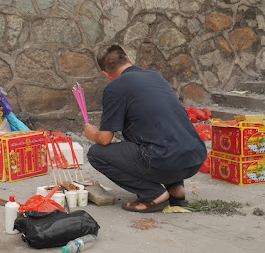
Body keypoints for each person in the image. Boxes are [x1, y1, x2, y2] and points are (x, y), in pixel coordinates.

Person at [84, 45, 207, 213]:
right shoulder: (155, 77)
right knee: (161, 133)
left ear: (106, 73)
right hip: (195, 157)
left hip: (165, 160)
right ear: (129, 59)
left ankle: (152, 195)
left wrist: (92, 133)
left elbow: (105, 138)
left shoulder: (115, 88)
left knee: (96, 154)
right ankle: (176, 190)